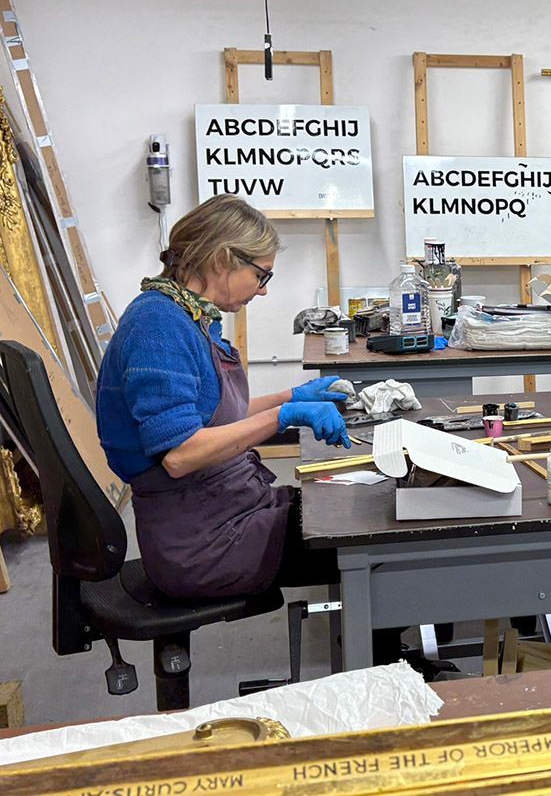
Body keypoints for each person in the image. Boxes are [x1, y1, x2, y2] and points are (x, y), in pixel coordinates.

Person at [96, 194, 412, 666]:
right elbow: (181, 453)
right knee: (379, 542)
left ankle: (383, 664)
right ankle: (388, 679)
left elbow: (217, 417)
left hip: (223, 513)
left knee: (362, 510)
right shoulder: (158, 327)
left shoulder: (184, 316)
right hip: (203, 544)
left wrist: (292, 396)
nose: (262, 290)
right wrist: (282, 418)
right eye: (260, 275)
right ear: (224, 258)